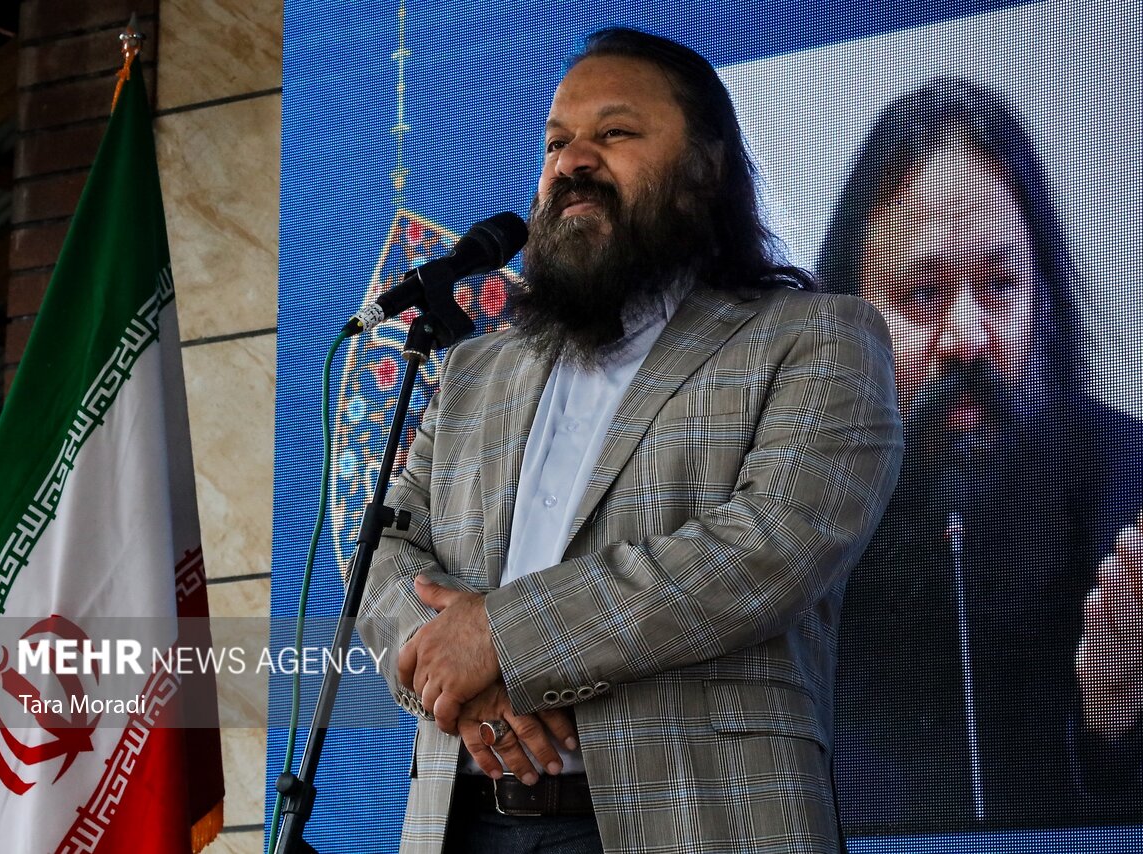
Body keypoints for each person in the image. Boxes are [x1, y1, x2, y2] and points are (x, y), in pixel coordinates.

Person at [357, 27, 903, 854]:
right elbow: (386, 550)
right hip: (463, 821)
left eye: (613, 133)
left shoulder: (816, 337)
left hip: (697, 820)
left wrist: (502, 638)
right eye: (556, 143)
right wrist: (452, 677)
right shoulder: (475, 370)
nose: (573, 162)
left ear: (704, 169)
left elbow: (769, 550)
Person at [815, 76, 1143, 833]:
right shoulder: (797, 497)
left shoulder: (1142, 486)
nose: (970, 337)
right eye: (923, 294)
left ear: (1041, 293)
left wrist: (1121, 710)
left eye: (1001, 285)